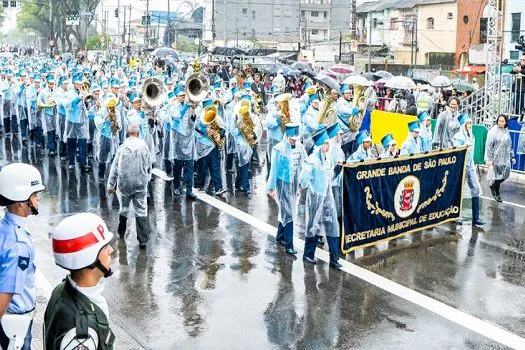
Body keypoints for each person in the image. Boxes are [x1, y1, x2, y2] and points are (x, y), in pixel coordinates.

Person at [44, 213, 115, 349]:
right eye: (105, 247)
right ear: (89, 256)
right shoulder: (82, 333)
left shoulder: (61, 290)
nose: (111, 250)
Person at [0, 163, 45, 350]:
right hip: (15, 323)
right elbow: (7, 292)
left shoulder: (5, 227)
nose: (38, 200)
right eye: (34, 195)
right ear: (21, 201)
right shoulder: (19, 245)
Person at [300, 129, 342, 269]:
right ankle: (308, 254)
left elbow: (329, 177)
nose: (328, 146)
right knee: (313, 225)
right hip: (316, 197)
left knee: (332, 225)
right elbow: (303, 181)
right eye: (326, 144)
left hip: (327, 196)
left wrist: (337, 170)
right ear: (320, 145)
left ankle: (334, 259)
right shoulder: (311, 161)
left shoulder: (327, 158)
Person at [107, 123, 152, 249]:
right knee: (141, 210)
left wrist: (110, 185)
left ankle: (121, 233)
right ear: (138, 133)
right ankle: (142, 240)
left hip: (124, 184)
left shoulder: (122, 148)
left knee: (124, 208)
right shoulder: (144, 147)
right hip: (140, 185)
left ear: (128, 133)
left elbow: (114, 167)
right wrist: (146, 180)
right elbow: (149, 166)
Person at [267, 123, 306, 256]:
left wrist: (303, 180)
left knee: (286, 209)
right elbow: (274, 169)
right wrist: (271, 187)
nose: (295, 140)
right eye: (292, 138)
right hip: (282, 182)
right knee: (289, 213)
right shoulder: (279, 149)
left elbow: (304, 163)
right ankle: (289, 244)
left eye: (296, 138)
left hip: (293, 181)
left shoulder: (300, 147)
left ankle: (280, 235)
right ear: (287, 136)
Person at [452, 113, 485, 226]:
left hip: (470, 165)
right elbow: (455, 151)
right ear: (463, 125)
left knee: (475, 189)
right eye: (468, 123)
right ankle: (454, 216)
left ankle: (476, 218)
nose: (470, 125)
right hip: (461, 166)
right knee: (458, 190)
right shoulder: (458, 136)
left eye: (471, 123)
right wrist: (463, 146)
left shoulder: (472, 135)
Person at [485, 114, 516, 202]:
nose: (501, 122)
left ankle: (492, 185)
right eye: (499, 121)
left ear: (505, 122)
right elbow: (489, 146)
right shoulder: (493, 131)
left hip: (505, 158)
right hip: (496, 158)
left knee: (505, 174)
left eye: (503, 121)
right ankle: (497, 194)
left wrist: (512, 156)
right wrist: (489, 159)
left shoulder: (506, 131)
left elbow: (509, 145)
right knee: (498, 176)